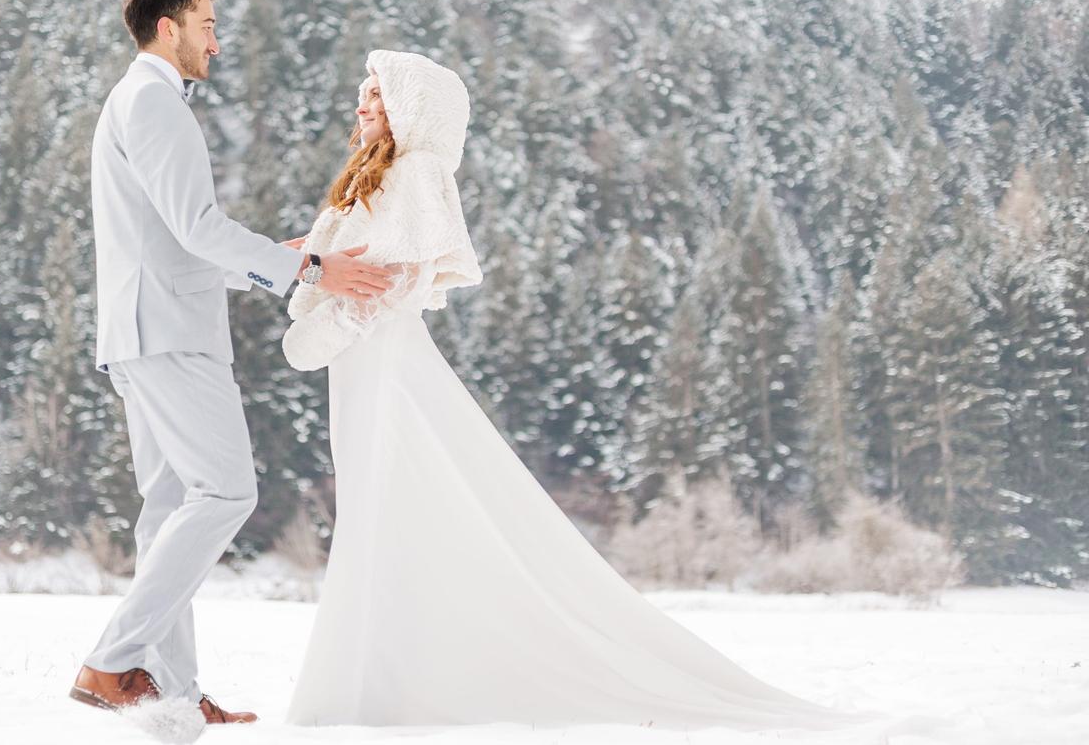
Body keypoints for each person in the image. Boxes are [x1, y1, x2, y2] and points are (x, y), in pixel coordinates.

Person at [279, 50, 879, 731]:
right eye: (363, 94)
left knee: (398, 507)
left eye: (378, 97)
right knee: (382, 509)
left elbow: (400, 281)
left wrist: (317, 334)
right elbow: (352, 266)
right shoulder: (377, 177)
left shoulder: (414, 173)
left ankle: (390, 684)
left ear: (412, 109)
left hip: (384, 363)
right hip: (362, 367)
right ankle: (384, 679)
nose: (363, 106)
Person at [70, 0, 395, 725]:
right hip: (171, 334)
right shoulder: (153, 102)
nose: (217, 40)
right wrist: (310, 267)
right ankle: (112, 662)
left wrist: (270, 261)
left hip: (142, 329)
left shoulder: (136, 101)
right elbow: (196, 228)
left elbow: (172, 240)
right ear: (166, 28)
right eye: (206, 24)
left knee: (172, 507)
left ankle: (171, 693)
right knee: (226, 493)